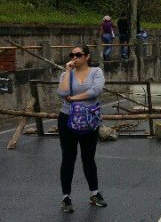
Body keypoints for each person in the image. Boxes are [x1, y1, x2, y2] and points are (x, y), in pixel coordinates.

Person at [56, 45, 107, 213]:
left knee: (88, 157)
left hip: (89, 119)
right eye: (72, 55)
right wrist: (68, 71)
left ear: (87, 56)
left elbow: (96, 90)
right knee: (68, 157)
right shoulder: (66, 74)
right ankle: (66, 197)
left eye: (78, 55)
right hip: (67, 119)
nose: (74, 58)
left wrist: (75, 98)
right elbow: (62, 93)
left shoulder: (96, 72)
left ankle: (94, 193)